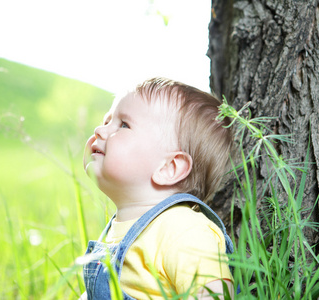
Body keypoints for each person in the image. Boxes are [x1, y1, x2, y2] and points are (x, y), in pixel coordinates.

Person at [80, 77, 236, 300]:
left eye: (123, 125)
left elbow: (213, 294)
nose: (99, 130)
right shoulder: (120, 227)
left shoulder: (183, 228)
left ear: (169, 167)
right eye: (107, 121)